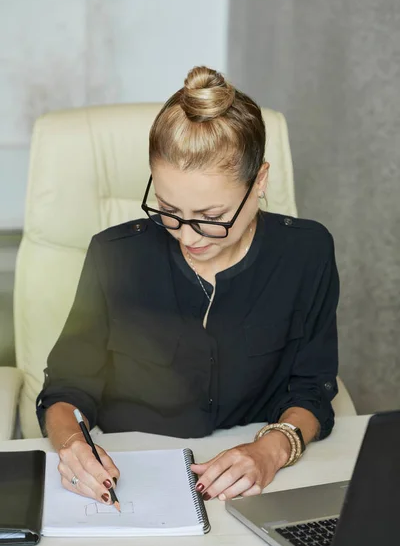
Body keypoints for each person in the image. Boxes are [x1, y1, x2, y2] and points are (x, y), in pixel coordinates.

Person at [36, 66, 339, 507]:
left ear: (260, 183)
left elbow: (313, 387)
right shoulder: (115, 254)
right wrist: (72, 447)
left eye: (212, 217)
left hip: (252, 489)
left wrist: (270, 450)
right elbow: (65, 389)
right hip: (129, 479)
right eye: (168, 209)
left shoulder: (306, 253)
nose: (188, 236)